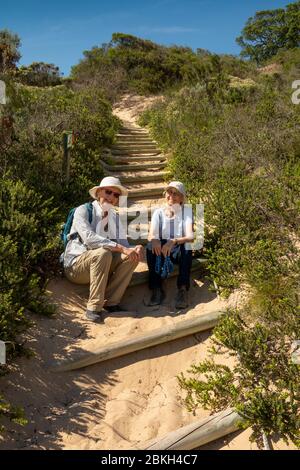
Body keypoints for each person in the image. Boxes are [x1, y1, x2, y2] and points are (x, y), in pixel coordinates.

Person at [62, 176, 144, 322]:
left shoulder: (114, 217)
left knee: (131, 256)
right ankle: (93, 307)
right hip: (75, 266)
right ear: (99, 192)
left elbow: (124, 245)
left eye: (116, 195)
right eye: (108, 192)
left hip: (100, 264)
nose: (111, 197)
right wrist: (119, 248)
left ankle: (112, 302)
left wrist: (135, 248)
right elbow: (89, 238)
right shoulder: (83, 210)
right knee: (103, 252)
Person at [146, 181, 194, 309]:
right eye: (169, 192)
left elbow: (190, 236)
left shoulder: (187, 211)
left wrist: (174, 241)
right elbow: (151, 234)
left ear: (182, 197)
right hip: (162, 248)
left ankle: (182, 289)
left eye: (176, 193)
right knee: (150, 246)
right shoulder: (159, 212)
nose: (171, 195)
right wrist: (155, 240)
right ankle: (157, 288)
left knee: (187, 246)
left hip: (178, 246)